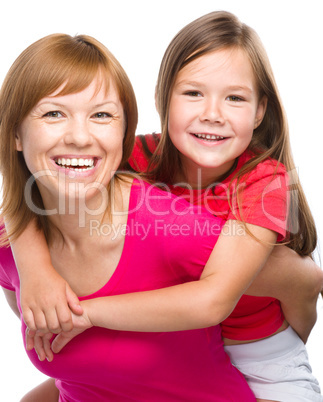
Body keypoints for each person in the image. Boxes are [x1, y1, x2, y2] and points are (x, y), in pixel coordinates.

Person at [2, 11, 323, 402]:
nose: (212, 113)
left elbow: (220, 298)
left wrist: (288, 345)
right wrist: (35, 272)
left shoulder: (264, 181)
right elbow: (44, 191)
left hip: (257, 351)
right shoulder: (140, 157)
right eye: (193, 93)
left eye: (235, 98)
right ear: (162, 99)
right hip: (181, 342)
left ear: (259, 111)